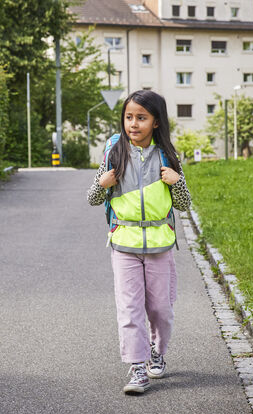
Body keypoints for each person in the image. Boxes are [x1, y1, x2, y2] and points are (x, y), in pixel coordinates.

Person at [87, 90, 191, 394]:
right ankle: (137, 368)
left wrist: (177, 182)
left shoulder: (167, 155)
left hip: (160, 243)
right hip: (124, 243)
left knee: (160, 308)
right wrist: (101, 183)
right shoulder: (114, 153)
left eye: (141, 118)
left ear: (156, 122)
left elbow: (184, 205)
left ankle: (157, 351)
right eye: (129, 117)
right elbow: (92, 199)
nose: (133, 123)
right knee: (130, 308)